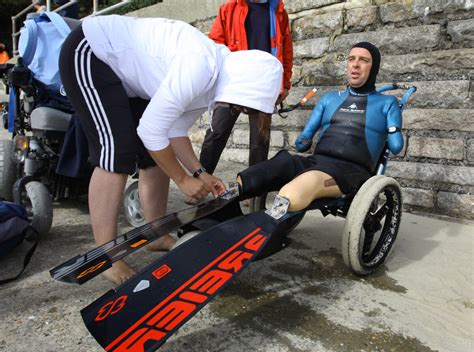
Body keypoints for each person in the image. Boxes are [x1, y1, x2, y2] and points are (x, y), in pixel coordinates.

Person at [58, 15, 283, 284]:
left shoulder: (213, 81)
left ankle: (156, 234)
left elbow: (173, 131)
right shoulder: (199, 67)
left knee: (154, 157)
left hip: (125, 77)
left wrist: (200, 173)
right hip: (89, 51)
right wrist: (182, 180)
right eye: (242, 105)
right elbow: (151, 131)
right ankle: (107, 255)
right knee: (115, 152)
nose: (241, 111)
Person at [236, 42, 404, 213]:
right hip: (316, 162)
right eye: (351, 59)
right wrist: (304, 138)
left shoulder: (387, 103)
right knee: (275, 166)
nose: (355, 64)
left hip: (350, 170)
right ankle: (230, 193)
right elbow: (302, 144)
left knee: (296, 189)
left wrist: (393, 126)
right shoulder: (329, 99)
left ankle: (271, 218)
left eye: (364, 60)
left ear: (374, 67)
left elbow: (396, 146)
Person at [199, 0, 293, 174]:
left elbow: (286, 49)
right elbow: (214, 46)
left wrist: (284, 83)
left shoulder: (278, 11)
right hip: (234, 81)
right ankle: (200, 180)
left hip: (263, 82)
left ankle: (253, 191)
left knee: (260, 141)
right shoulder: (229, 9)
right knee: (217, 132)